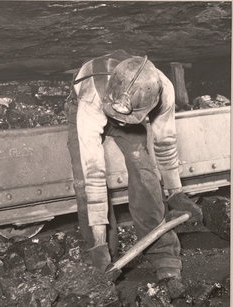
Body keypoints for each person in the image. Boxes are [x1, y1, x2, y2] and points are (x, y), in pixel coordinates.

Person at [66, 49, 202, 280]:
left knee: (145, 174)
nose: (119, 121)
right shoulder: (92, 97)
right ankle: (101, 252)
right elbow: (94, 173)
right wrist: (98, 240)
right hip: (92, 106)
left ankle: (163, 254)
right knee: (83, 184)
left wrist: (175, 191)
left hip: (132, 113)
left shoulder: (163, 89)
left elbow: (165, 142)